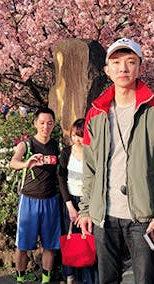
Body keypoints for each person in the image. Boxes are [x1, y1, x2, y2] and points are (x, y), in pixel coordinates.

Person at [78, 38, 154, 284]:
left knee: (145, 279)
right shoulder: (96, 113)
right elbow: (89, 168)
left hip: (144, 218)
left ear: (140, 68)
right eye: (116, 63)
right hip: (104, 216)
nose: (123, 68)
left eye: (130, 62)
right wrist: (86, 210)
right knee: (107, 280)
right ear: (107, 70)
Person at [8, 107, 61, 284]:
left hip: (51, 200)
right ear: (35, 124)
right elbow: (13, 162)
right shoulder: (27, 145)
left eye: (50, 123)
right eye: (42, 123)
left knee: (50, 245)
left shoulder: (56, 145)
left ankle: (46, 280)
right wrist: (26, 164)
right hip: (29, 200)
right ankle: (20, 280)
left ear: (53, 125)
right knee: (22, 245)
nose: (46, 126)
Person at [57, 119, 97, 284]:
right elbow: (61, 177)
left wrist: (87, 207)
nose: (77, 140)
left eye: (80, 136)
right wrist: (69, 205)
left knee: (87, 239)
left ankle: (89, 278)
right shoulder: (66, 153)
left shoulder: (92, 152)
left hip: (88, 200)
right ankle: (70, 274)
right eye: (74, 136)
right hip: (70, 199)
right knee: (70, 236)